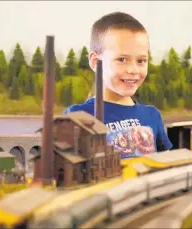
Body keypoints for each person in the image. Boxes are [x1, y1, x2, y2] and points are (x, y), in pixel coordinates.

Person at [63, 12, 173, 158]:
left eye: (141, 61)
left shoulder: (152, 115)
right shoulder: (77, 117)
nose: (133, 70)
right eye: (122, 59)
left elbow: (168, 163)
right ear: (95, 62)